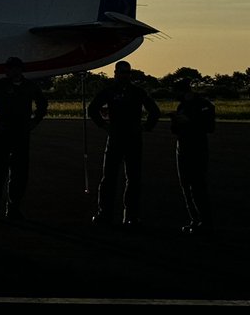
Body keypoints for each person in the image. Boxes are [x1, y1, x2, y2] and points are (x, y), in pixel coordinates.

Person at [87, 60, 161, 228]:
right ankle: (104, 214)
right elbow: (92, 109)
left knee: (133, 179)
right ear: (115, 73)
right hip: (115, 137)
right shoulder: (109, 92)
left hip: (133, 139)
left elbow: (154, 111)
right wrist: (104, 125)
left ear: (130, 74)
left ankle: (131, 216)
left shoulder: (138, 92)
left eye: (127, 72)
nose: (124, 75)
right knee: (109, 179)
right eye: (121, 72)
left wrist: (146, 127)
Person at [0, 56, 48, 221]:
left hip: (21, 132)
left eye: (16, 68)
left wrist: (35, 121)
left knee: (19, 173)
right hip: (3, 131)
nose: (13, 71)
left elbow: (42, 104)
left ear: (21, 70)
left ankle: (13, 208)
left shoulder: (30, 86)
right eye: (10, 68)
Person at [170, 78, 216, 234]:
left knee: (197, 186)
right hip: (183, 148)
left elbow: (209, 127)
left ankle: (205, 221)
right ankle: (195, 220)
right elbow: (175, 130)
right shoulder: (182, 106)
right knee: (186, 187)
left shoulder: (204, 105)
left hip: (196, 149)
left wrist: (189, 121)